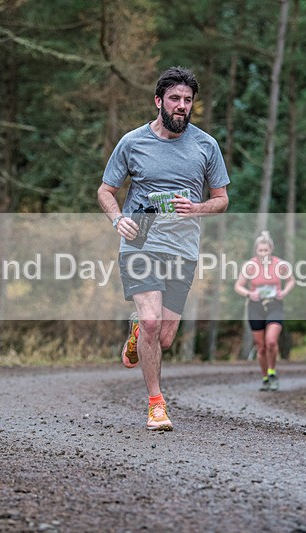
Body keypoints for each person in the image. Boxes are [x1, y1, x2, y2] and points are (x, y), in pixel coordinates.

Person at [97, 66, 230, 431]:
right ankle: (156, 404)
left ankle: (138, 333)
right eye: (175, 99)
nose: (181, 106)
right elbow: (106, 190)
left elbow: (222, 199)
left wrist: (197, 208)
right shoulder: (133, 142)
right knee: (154, 321)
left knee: (164, 336)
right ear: (158, 101)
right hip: (140, 242)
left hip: (182, 250)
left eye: (188, 100)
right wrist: (116, 219)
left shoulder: (206, 145)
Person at [234, 230, 295, 391]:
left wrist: (284, 292)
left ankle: (273, 372)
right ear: (256, 251)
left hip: (275, 305)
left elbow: (291, 280)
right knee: (261, 347)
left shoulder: (279, 264)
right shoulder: (250, 266)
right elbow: (238, 286)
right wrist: (249, 293)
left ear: (271, 250)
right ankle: (266, 377)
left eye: (266, 250)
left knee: (271, 341)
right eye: (260, 251)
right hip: (255, 307)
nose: (263, 254)